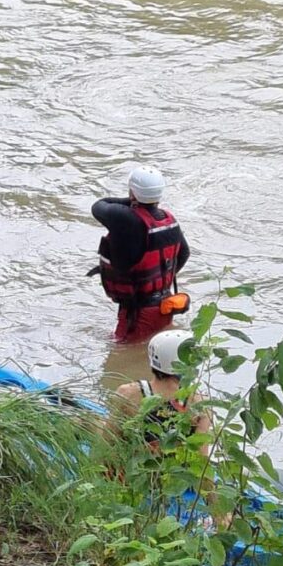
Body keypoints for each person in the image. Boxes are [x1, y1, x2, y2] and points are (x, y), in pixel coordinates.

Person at [90, 165, 191, 342]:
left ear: (133, 192)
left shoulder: (126, 220)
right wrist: (157, 282)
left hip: (138, 313)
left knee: (122, 358)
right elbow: (184, 254)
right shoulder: (169, 220)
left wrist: (132, 199)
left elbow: (98, 206)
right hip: (164, 306)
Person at [114, 330, 210, 455]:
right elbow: (201, 458)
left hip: (134, 468)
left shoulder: (127, 393)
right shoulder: (200, 403)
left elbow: (107, 442)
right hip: (176, 472)